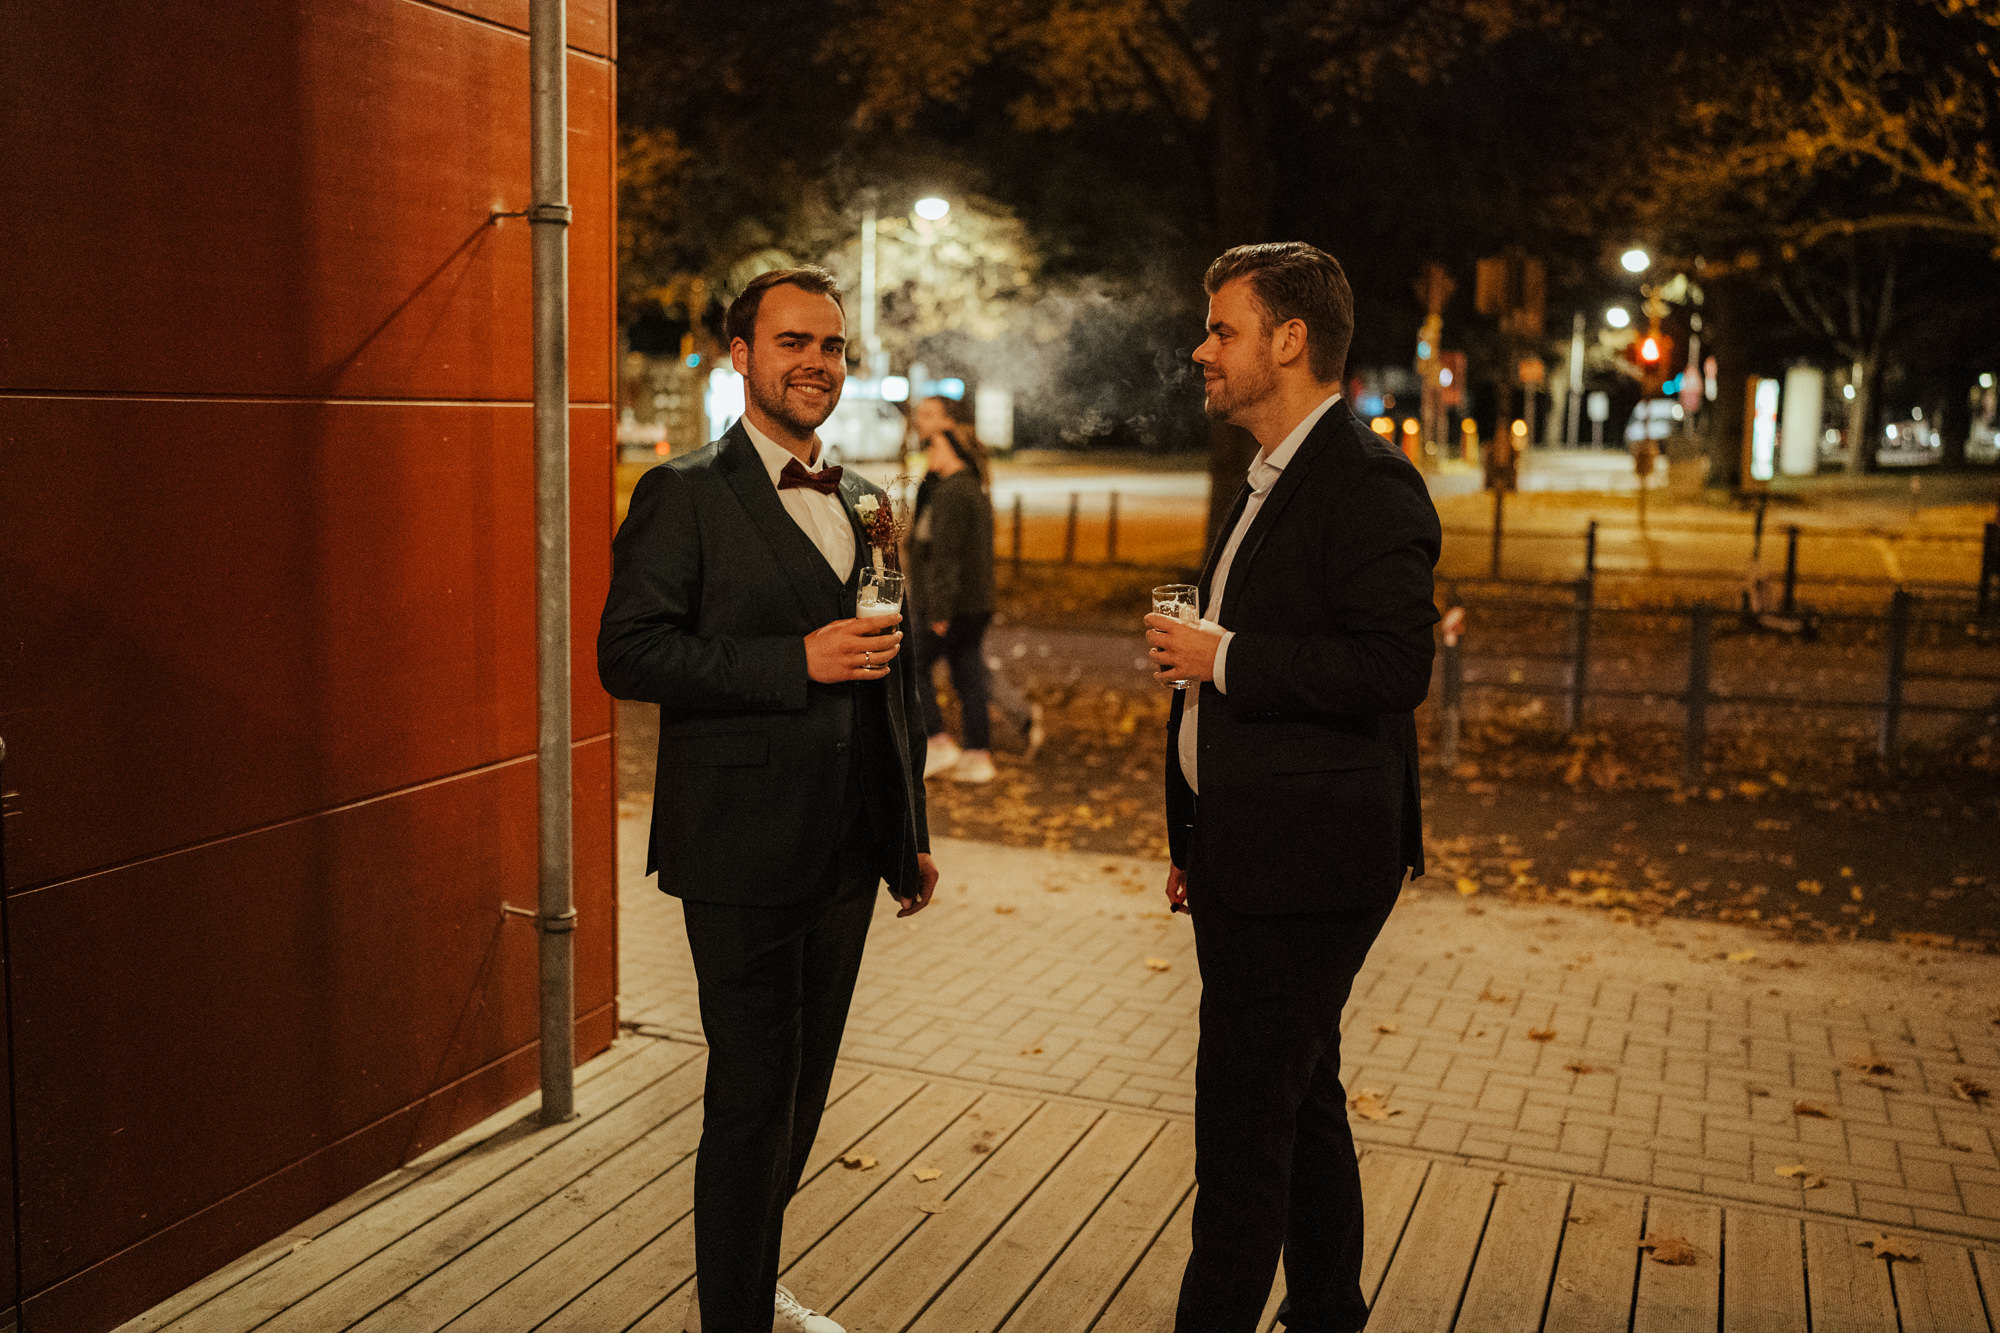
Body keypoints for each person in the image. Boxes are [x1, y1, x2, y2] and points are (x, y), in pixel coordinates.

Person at [598, 266, 938, 1333]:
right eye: (792, 342)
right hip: (739, 848)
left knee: (799, 1098)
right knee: (751, 1098)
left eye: (831, 346)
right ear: (740, 356)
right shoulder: (684, 493)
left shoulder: (868, 499)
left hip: (846, 851)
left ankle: (748, 1276)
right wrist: (793, 659)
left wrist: (908, 830)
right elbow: (630, 652)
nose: (815, 363)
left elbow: (898, 680)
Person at [1142, 242, 1441, 1333]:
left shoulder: (1365, 482)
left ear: (1289, 339)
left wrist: (1218, 656)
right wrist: (1195, 833)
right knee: (1300, 1096)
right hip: (1243, 851)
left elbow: (1389, 669)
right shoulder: (1267, 476)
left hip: (1307, 865)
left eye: (1221, 328)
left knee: (1240, 1130)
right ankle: (1324, 1308)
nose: (1200, 348)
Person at [907, 395, 1042, 781]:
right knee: (969, 677)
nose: (928, 449)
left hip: (951, 606)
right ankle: (978, 757)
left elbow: (946, 558)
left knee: (910, 668)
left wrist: (938, 613)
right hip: (973, 603)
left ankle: (938, 743)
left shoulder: (952, 492)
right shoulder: (966, 487)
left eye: (935, 444)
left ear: (951, 447)